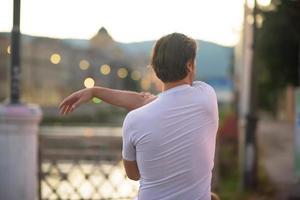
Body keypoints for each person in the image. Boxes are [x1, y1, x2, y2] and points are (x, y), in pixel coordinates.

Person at [59, 33, 219, 200]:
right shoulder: (206, 97)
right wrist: (95, 92)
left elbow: (134, 174)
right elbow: (151, 101)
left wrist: (94, 92)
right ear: (189, 65)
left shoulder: (134, 120)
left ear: (155, 69)